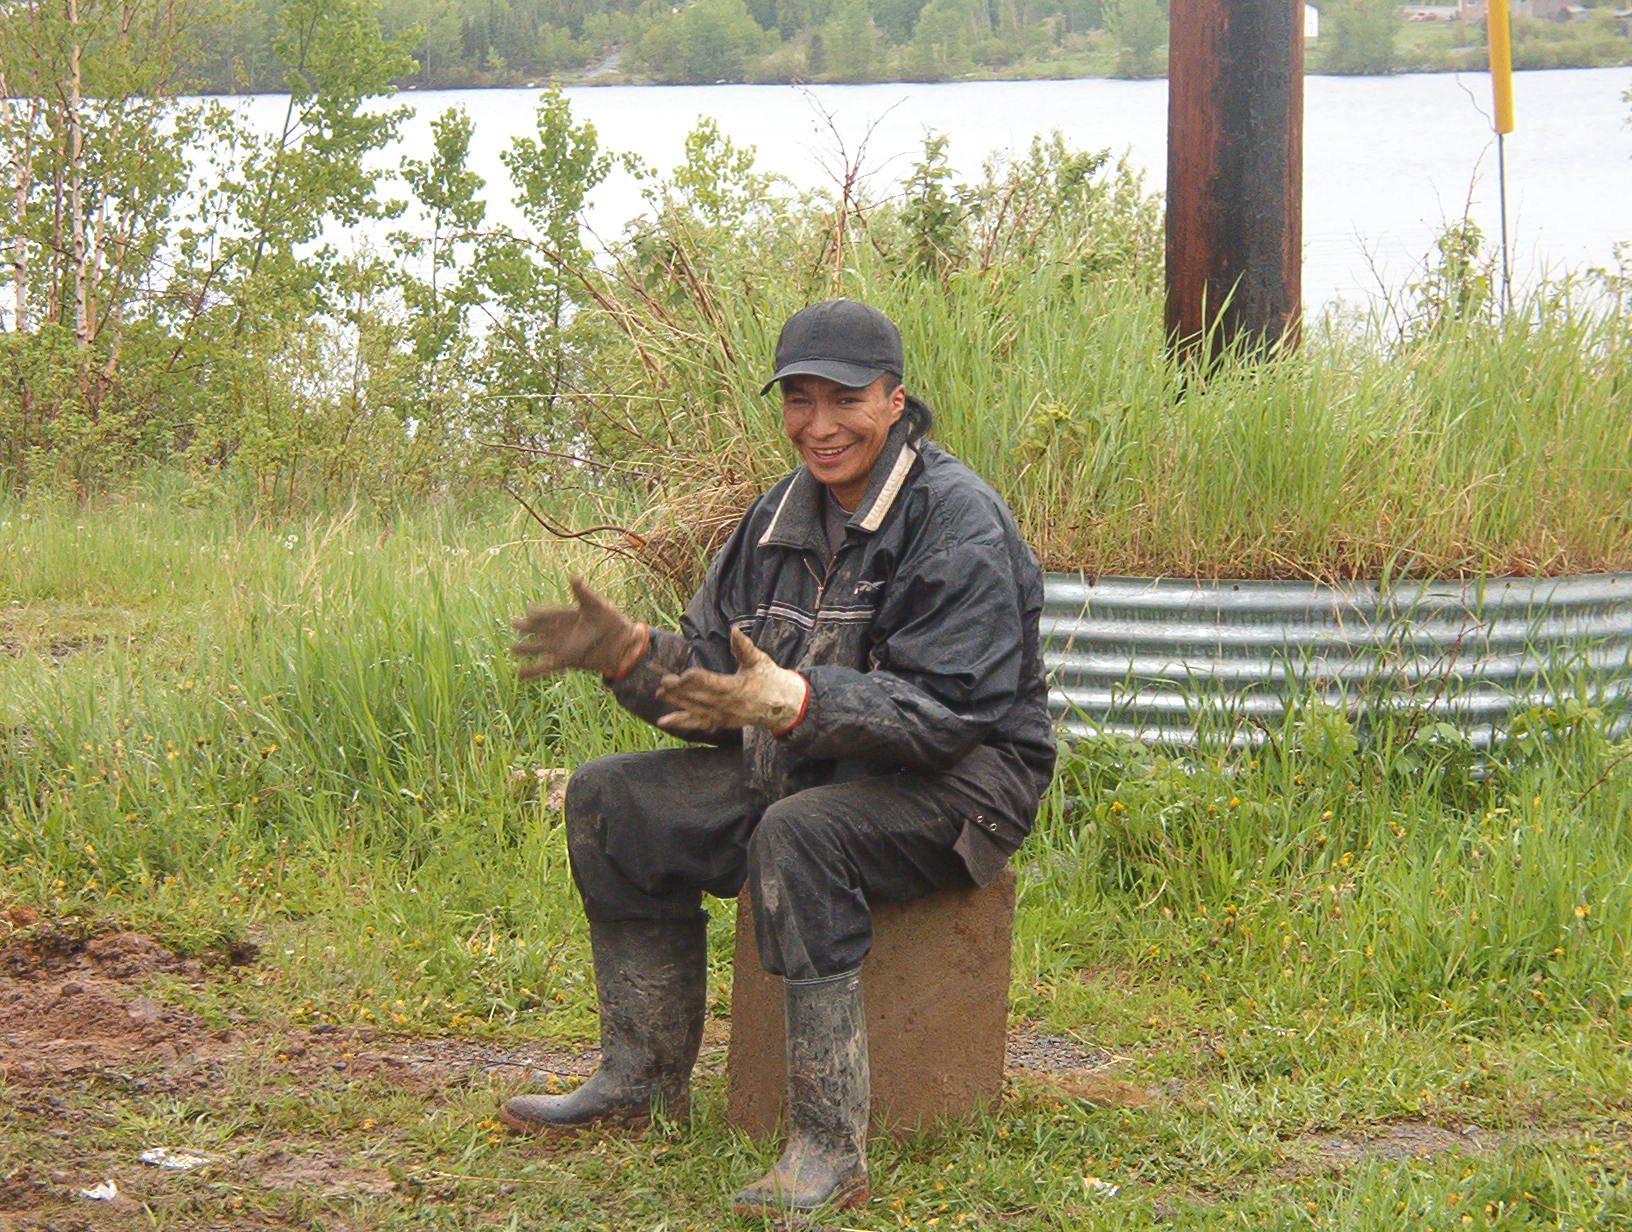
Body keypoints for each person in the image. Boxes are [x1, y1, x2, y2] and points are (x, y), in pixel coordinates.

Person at [502, 298, 1056, 1213]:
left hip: (962, 786)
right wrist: (635, 661)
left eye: (845, 399)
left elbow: (954, 713)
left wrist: (799, 702)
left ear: (894, 399)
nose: (820, 425)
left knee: (802, 835)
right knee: (611, 801)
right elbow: (724, 689)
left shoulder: (957, 520)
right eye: (799, 400)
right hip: (812, 764)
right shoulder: (772, 522)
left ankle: (830, 1147)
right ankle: (638, 1083)